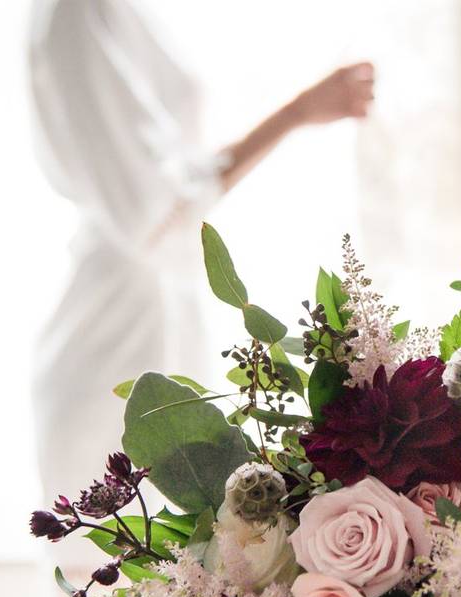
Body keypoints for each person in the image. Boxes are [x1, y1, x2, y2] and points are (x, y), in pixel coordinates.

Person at [27, 0, 374, 549]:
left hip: (154, 318)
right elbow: (153, 215)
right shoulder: (73, 15)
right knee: (132, 594)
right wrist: (298, 112)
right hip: (110, 345)